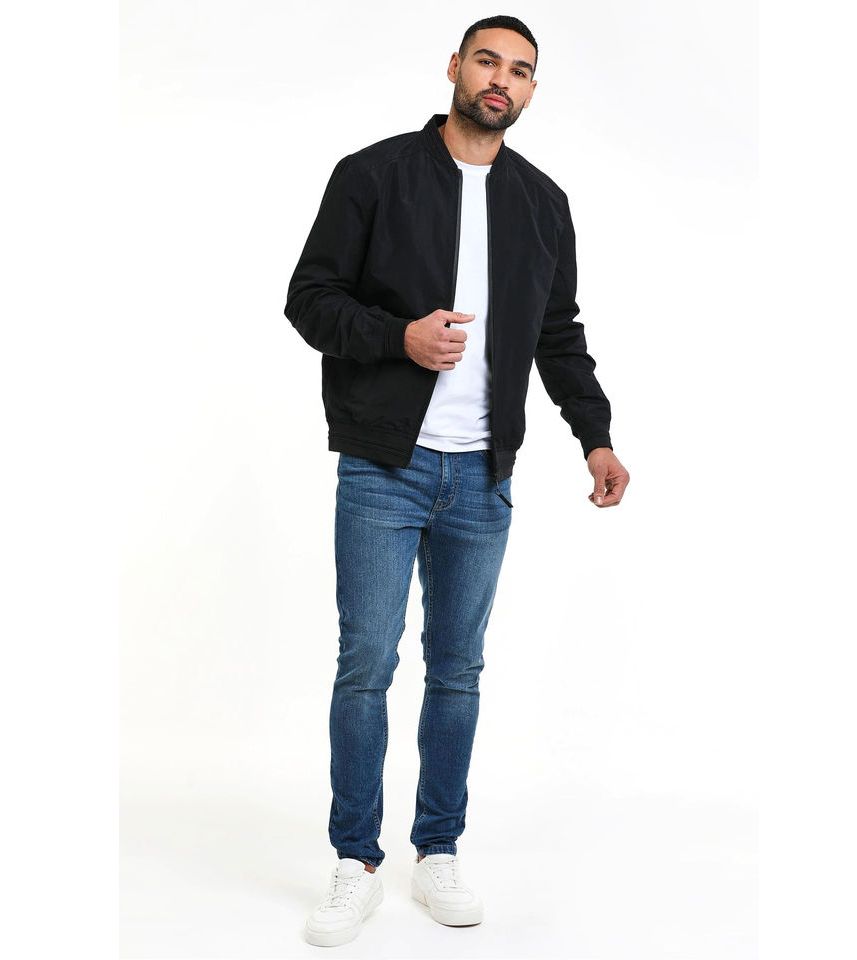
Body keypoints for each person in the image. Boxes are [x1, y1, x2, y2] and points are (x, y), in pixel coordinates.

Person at [285, 15, 630, 947]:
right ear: (454, 67)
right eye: (487, 60)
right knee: (367, 664)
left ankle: (437, 848)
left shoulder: (542, 202)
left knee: (459, 669)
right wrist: (396, 338)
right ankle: (356, 860)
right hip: (383, 467)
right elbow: (309, 299)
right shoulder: (373, 174)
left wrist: (595, 437)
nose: (500, 79)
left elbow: (558, 333)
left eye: (520, 70)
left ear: (531, 91)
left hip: (484, 474)